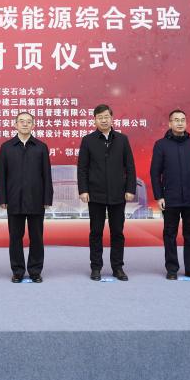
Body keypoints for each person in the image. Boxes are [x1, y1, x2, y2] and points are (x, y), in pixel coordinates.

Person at [77, 104, 136, 281]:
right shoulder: (88, 140)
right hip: (95, 194)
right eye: (100, 117)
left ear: (112, 118)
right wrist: (83, 190)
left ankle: (118, 267)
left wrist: (130, 189)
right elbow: (82, 168)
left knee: (117, 232)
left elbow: (130, 167)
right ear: (94, 120)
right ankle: (96, 267)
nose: (104, 120)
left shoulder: (122, 139)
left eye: (106, 117)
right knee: (96, 232)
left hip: (118, 194)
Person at [150, 109, 190, 281]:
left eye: (183, 120)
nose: (180, 123)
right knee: (170, 234)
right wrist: (159, 196)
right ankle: (172, 269)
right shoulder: (161, 145)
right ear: (170, 123)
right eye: (176, 120)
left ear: (186, 123)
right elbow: (155, 173)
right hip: (170, 198)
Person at [0, 112, 53, 283]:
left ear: (33, 125)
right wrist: (2, 198)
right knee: (15, 237)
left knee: (37, 237)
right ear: (15, 125)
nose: (25, 124)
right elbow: (2, 175)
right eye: (21, 121)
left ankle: (35, 271)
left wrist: (47, 198)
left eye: (28, 122)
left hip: (36, 199)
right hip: (14, 199)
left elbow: (46, 174)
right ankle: (18, 271)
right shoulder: (6, 147)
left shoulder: (41, 147)